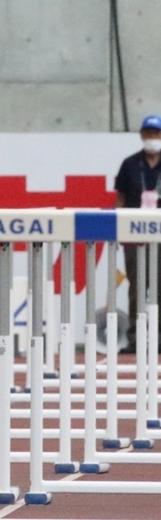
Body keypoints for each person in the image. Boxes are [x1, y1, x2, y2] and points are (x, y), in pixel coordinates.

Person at [114, 114, 161, 354]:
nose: (152, 138)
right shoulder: (130, 164)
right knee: (137, 287)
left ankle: (159, 337)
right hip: (135, 233)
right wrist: (116, 228)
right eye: (149, 133)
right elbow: (120, 199)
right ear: (142, 135)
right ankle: (135, 337)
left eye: (157, 134)